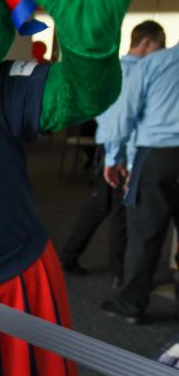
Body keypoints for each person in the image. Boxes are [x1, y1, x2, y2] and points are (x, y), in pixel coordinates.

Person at [61, 21, 166, 285]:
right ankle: (120, 274)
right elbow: (122, 120)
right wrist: (119, 158)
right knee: (117, 213)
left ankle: (72, 256)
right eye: (159, 45)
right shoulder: (136, 73)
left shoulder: (117, 70)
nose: (161, 51)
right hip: (118, 152)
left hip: (111, 149)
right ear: (145, 43)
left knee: (103, 207)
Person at [102, 32, 179, 324]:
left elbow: (125, 113)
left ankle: (131, 305)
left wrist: (114, 157)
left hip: (157, 156)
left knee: (144, 235)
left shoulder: (155, 63)